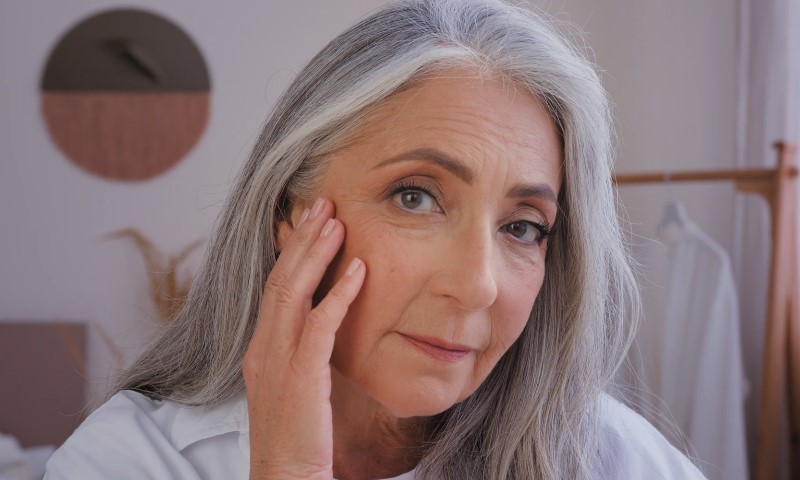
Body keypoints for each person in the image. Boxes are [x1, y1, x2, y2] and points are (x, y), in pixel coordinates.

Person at [45, 0, 708, 479]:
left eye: (522, 227)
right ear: (287, 212)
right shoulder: (129, 459)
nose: (477, 283)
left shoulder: (607, 456)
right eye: (414, 196)